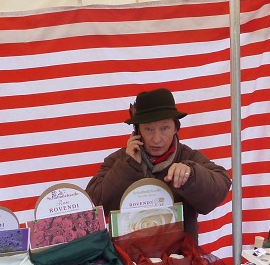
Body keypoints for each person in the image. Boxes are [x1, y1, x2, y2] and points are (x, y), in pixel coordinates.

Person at [86, 88, 231, 242]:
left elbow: (221, 185)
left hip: (179, 257)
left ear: (176, 128)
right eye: (148, 129)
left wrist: (190, 175)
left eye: (164, 128)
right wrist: (128, 166)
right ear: (137, 131)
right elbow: (95, 205)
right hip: (128, 258)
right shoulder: (120, 160)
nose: (156, 139)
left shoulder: (189, 157)